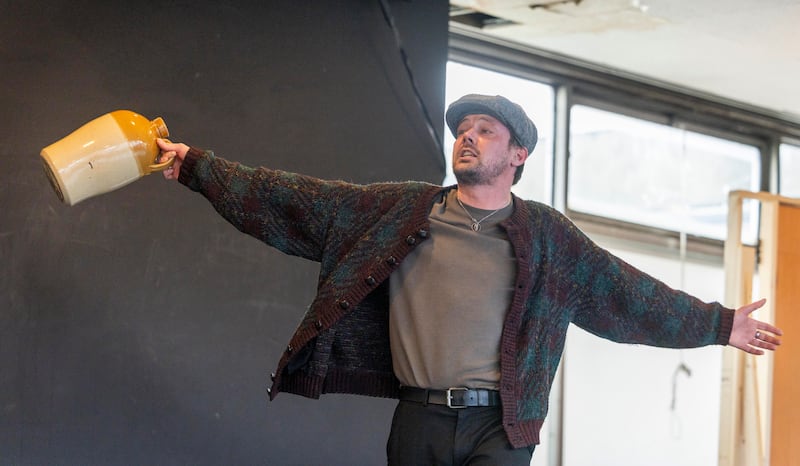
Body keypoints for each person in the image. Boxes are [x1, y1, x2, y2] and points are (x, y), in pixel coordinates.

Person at [157, 94, 782, 465]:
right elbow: (291, 199)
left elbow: (625, 293)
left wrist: (721, 324)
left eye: (486, 131)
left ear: (517, 157)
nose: (468, 136)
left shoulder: (547, 237)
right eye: (463, 129)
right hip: (419, 416)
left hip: (502, 425)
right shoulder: (399, 211)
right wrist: (198, 168)